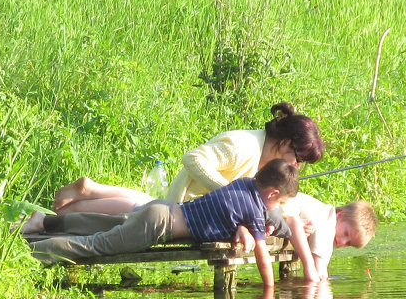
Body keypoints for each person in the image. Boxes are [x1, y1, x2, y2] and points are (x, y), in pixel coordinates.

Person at [22, 160, 299, 287]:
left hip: (164, 207)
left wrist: (242, 228)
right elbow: (263, 259)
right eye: (279, 203)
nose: (275, 208)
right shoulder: (255, 207)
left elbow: (229, 213)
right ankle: (28, 257)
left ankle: (42, 223)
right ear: (272, 193)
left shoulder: (243, 184)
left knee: (105, 224)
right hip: (160, 225)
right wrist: (270, 292)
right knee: (97, 245)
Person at [51, 102, 324, 215]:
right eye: (299, 159)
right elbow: (193, 158)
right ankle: (63, 211)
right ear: (286, 142)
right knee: (136, 214)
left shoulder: (267, 158)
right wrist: (233, 192)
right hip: (181, 206)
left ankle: (89, 190)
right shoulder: (244, 147)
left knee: (144, 205)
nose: (297, 167)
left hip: (189, 207)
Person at [280, 193, 378, 282]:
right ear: (339, 215)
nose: (342, 241)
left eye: (348, 243)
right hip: (278, 206)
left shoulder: (324, 213)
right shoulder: (327, 223)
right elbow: (319, 271)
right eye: (346, 233)